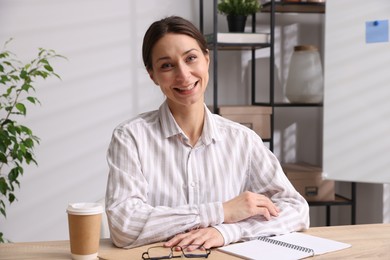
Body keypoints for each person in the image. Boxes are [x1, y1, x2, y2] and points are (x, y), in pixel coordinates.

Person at [105, 15, 309, 249]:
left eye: (191, 58)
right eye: (167, 65)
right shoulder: (131, 138)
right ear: (153, 75)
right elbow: (124, 225)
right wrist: (221, 211)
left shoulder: (242, 140)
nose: (183, 75)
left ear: (206, 59)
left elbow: (296, 210)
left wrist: (228, 231)